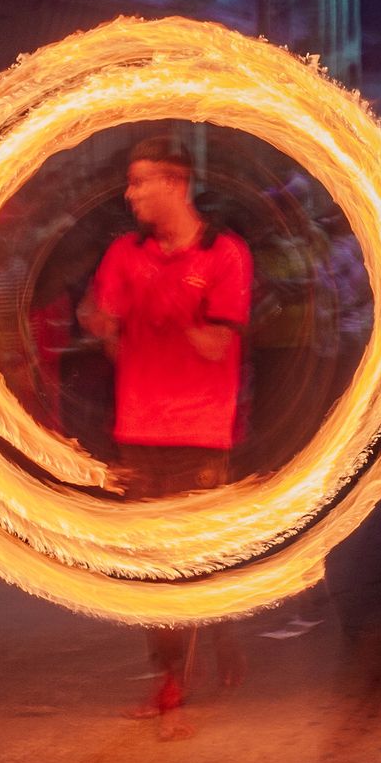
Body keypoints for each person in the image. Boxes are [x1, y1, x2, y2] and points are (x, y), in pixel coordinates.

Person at [79, 135, 253, 732]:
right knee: (155, 566)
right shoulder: (124, 254)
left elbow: (217, 342)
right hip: (140, 428)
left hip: (202, 430)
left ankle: (221, 628)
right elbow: (105, 329)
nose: (129, 195)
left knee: (198, 560)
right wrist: (102, 323)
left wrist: (163, 310)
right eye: (129, 182)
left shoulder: (224, 254)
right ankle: (171, 680)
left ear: (175, 183)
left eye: (140, 181)